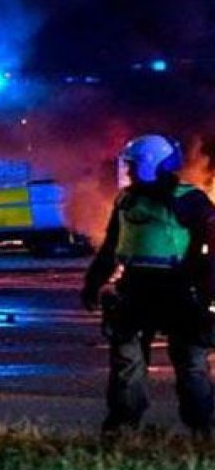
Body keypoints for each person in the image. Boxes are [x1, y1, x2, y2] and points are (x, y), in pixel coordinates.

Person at [81, 133, 215, 436]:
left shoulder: (190, 200)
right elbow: (111, 247)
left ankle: (202, 431)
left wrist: (208, 298)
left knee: (191, 363)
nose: (126, 171)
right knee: (127, 364)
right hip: (136, 288)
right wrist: (94, 282)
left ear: (149, 165)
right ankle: (123, 429)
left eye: (131, 165)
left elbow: (210, 252)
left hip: (179, 289)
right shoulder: (127, 199)